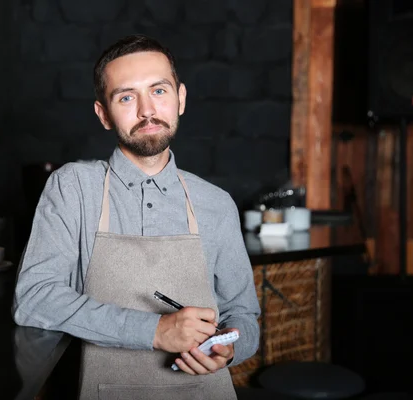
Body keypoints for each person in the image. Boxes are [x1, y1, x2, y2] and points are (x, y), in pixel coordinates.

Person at [13, 34, 261, 399]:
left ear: (181, 99)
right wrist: (155, 331)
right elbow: (35, 298)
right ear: (104, 114)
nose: (147, 110)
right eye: (126, 97)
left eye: (159, 91)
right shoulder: (73, 188)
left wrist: (230, 347)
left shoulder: (215, 202)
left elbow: (244, 316)